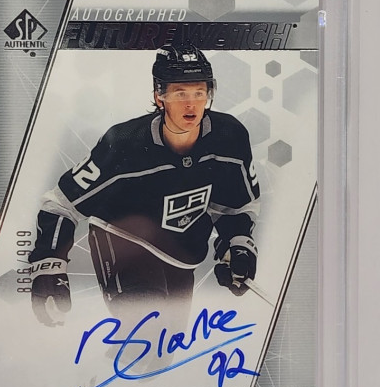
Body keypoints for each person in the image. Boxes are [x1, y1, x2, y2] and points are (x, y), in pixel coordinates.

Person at [27, 44, 260, 327]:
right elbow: (61, 204)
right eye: (180, 93)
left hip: (181, 255)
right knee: (147, 328)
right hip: (124, 240)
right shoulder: (125, 144)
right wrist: (49, 264)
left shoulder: (230, 137)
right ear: (159, 96)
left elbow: (235, 206)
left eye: (199, 93)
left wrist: (237, 245)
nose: (191, 104)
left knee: (167, 346)